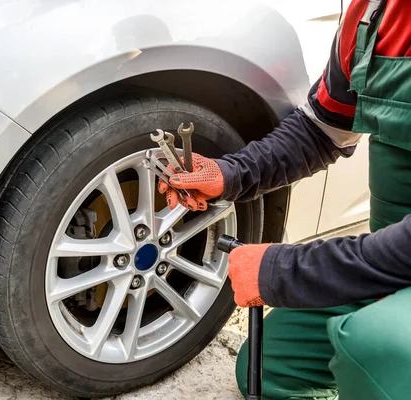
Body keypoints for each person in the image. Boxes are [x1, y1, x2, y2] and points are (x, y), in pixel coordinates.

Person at [158, 0, 411, 398]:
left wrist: (282, 269)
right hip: (386, 267)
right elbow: (320, 131)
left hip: (397, 261)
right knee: (268, 367)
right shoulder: (373, 15)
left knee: (373, 347)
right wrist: (230, 174)